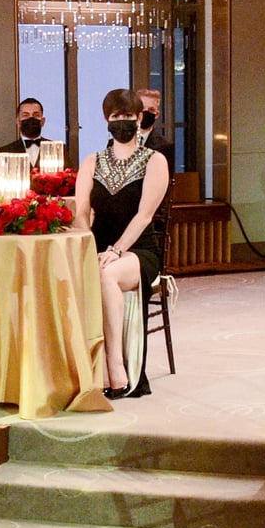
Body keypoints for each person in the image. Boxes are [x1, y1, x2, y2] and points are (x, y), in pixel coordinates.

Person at [77, 88, 170, 399]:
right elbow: (80, 212)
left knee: (107, 274)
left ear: (139, 118)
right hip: (98, 247)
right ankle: (87, 368)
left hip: (137, 251)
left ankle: (116, 366)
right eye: (116, 117)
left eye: (128, 116)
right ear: (107, 120)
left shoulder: (154, 160)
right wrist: (90, 250)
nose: (122, 122)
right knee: (87, 271)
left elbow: (144, 216)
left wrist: (115, 250)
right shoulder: (92, 161)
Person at [0, 97, 50, 163]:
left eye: (36, 115)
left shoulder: (58, 149)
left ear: (43, 121)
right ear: (18, 121)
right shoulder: (4, 152)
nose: (31, 119)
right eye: (25, 115)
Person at [134, 88, 174, 162]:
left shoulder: (165, 146)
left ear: (157, 114)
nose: (145, 112)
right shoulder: (117, 142)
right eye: (142, 108)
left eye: (151, 110)